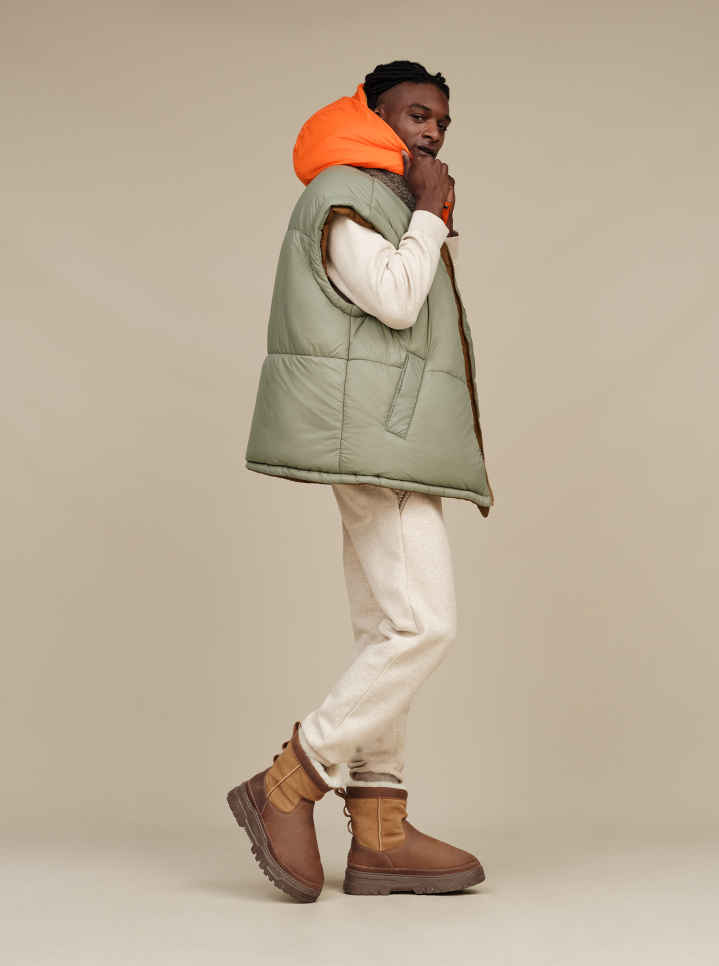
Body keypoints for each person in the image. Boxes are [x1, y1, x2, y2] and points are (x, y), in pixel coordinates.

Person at [228, 60, 494, 901]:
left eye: (441, 121)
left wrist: (423, 212)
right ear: (374, 115)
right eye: (416, 114)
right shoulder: (343, 191)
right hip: (375, 437)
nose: (432, 131)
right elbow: (397, 299)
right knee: (423, 626)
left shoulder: (380, 194)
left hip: (391, 436)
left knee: (388, 627)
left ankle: (380, 831)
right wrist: (430, 215)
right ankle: (290, 780)